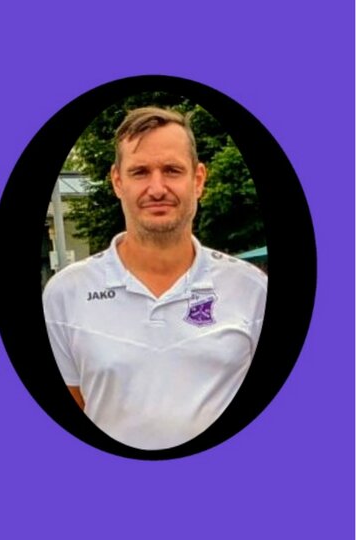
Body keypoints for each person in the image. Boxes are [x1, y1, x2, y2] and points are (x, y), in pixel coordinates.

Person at [43, 106, 267, 450]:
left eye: (172, 170)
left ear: (198, 179)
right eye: (140, 172)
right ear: (118, 181)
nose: (157, 188)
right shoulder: (64, 294)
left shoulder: (253, 290)